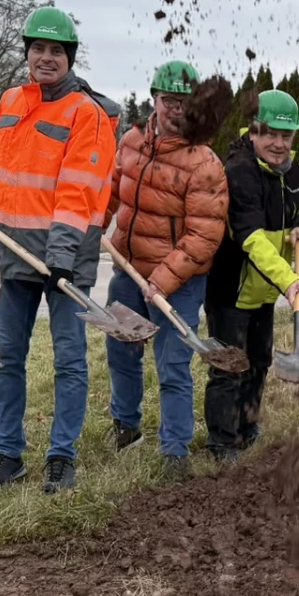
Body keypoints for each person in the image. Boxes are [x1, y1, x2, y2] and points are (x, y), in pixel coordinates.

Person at [0, 6, 119, 494]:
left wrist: (60, 258)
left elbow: (78, 191)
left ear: (70, 57)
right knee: (7, 357)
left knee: (69, 359)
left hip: (64, 261)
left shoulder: (86, 114)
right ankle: (8, 454)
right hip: (11, 253)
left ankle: (61, 456)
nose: (46, 58)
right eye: (38, 48)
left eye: (56, 50)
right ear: (27, 53)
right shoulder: (11, 100)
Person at [104, 60, 231, 477]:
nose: (175, 109)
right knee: (121, 351)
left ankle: (175, 449)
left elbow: (204, 235)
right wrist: (91, 226)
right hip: (128, 271)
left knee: (173, 364)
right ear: (154, 100)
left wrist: (161, 280)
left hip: (180, 281)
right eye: (168, 100)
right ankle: (126, 426)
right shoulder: (131, 142)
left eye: (184, 102)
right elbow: (111, 192)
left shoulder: (204, 162)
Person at [204, 89, 299, 459]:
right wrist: (288, 279)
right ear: (253, 131)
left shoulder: (291, 170)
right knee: (228, 367)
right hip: (233, 290)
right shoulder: (239, 172)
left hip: (264, 292)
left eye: (286, 135)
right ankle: (222, 442)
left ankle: (247, 427)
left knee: (259, 363)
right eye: (270, 134)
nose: (279, 144)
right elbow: (251, 239)